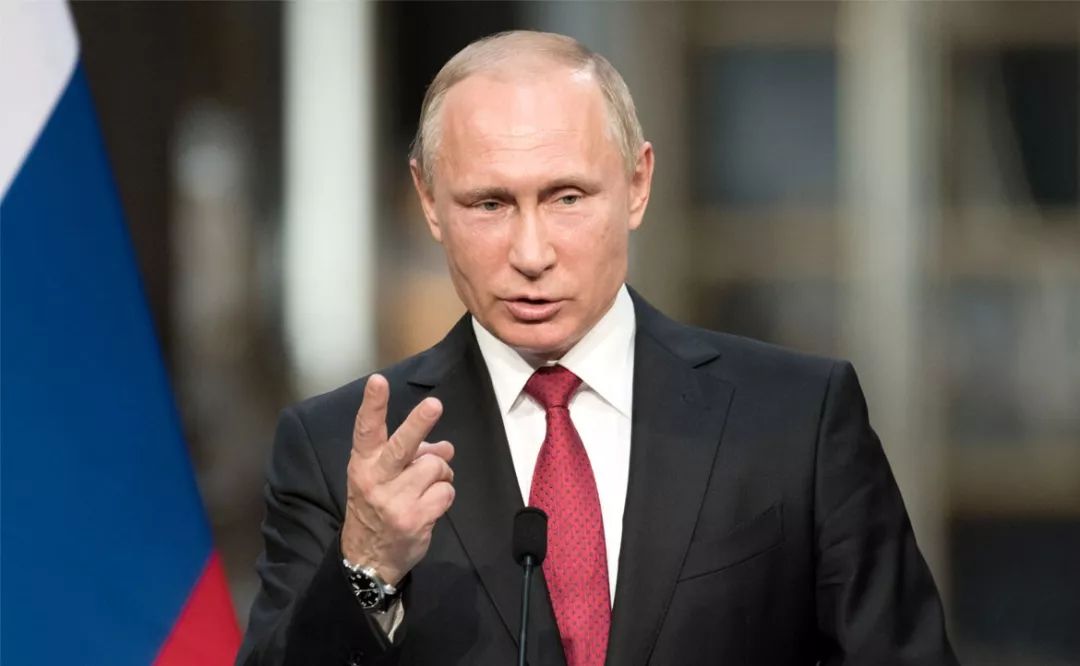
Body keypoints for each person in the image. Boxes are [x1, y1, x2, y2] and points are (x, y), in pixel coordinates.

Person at [238, 30, 958, 666]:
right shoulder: (335, 453)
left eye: (567, 198)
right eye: (489, 204)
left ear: (637, 184)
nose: (531, 253)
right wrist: (365, 568)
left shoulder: (796, 420)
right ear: (429, 201)